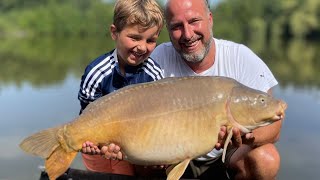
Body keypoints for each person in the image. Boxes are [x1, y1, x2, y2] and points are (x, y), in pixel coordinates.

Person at [96, 0, 283, 179]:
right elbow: (128, 109)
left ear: (210, 19)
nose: (187, 34)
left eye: (194, 21)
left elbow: (274, 128)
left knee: (266, 159)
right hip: (168, 152)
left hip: (225, 156)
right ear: (168, 30)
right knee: (138, 162)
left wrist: (243, 136)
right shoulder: (155, 60)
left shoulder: (240, 57)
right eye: (177, 26)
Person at [77, 0, 164, 176]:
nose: (142, 47)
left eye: (151, 40)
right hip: (102, 147)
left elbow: (157, 121)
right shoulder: (97, 73)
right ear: (114, 32)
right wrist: (97, 145)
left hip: (140, 143)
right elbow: (86, 118)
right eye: (135, 37)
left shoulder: (154, 75)